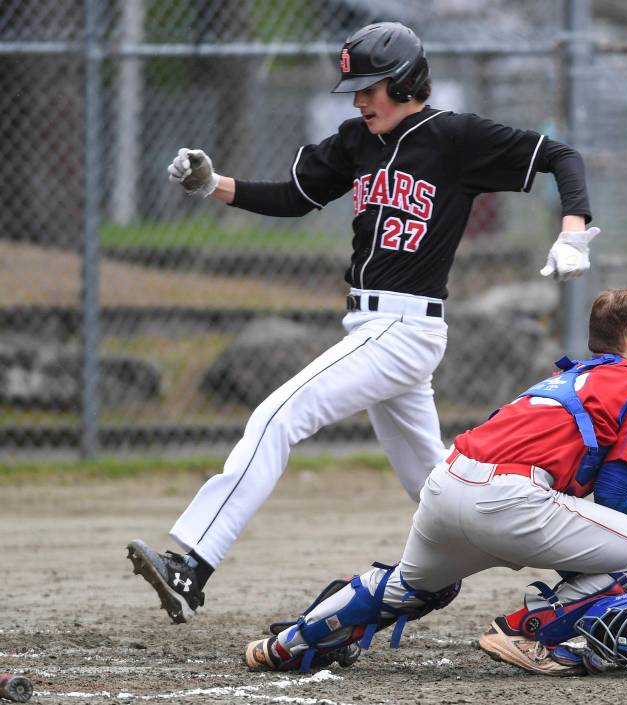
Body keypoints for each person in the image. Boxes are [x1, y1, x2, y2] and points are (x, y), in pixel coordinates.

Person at [127, 21, 601, 624]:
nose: (358, 99)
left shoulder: (454, 137)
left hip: (402, 330)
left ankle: (191, 565)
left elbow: (562, 156)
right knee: (442, 487)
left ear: (405, 81)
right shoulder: (358, 141)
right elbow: (294, 196)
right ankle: (580, 562)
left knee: (277, 415)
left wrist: (572, 232)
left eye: (370, 87)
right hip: (375, 329)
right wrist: (212, 184)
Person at [241, 288, 627, 678]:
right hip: (511, 501)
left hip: (448, 481)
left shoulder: (566, 377)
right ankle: (525, 632)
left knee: (410, 584)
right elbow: (614, 492)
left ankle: (288, 644)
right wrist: (604, 580)